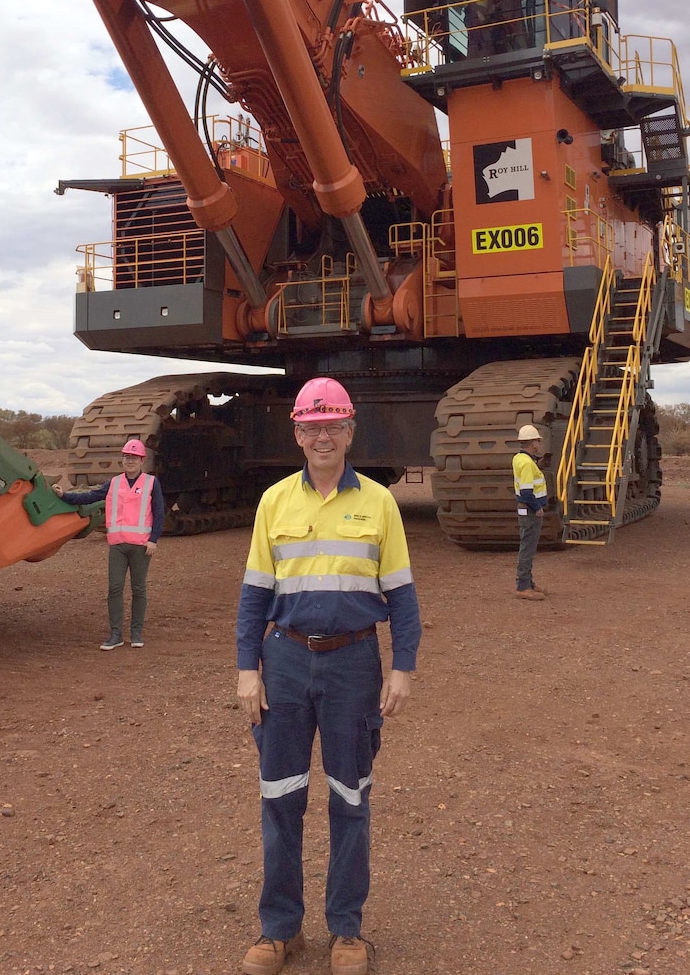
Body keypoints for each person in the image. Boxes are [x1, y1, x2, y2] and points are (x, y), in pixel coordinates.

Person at [236, 377, 421, 975]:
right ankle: (278, 931)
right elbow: (253, 597)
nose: (322, 437)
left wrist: (403, 666)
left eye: (332, 426)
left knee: (350, 799)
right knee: (280, 799)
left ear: (349, 432)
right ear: (297, 434)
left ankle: (346, 932)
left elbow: (402, 595)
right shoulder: (274, 502)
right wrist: (247, 669)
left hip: (353, 666)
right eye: (311, 427)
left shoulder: (380, 503)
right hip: (284, 663)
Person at [53, 438, 165, 649]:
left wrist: (153, 540)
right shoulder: (114, 483)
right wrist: (64, 495)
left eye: (134, 458)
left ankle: (136, 633)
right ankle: (116, 635)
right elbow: (90, 497)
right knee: (115, 589)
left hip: (141, 546)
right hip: (118, 545)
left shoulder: (151, 483)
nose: (129, 461)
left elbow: (159, 513)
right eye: (126, 457)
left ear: (142, 461)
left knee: (138, 589)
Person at [512, 424, 548, 601]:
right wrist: (538, 507)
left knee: (527, 545)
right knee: (528, 547)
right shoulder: (527, 463)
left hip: (525, 509)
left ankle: (528, 583)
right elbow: (527, 492)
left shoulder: (519, 459)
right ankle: (523, 586)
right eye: (537, 441)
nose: (539, 444)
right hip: (530, 510)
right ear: (533, 443)